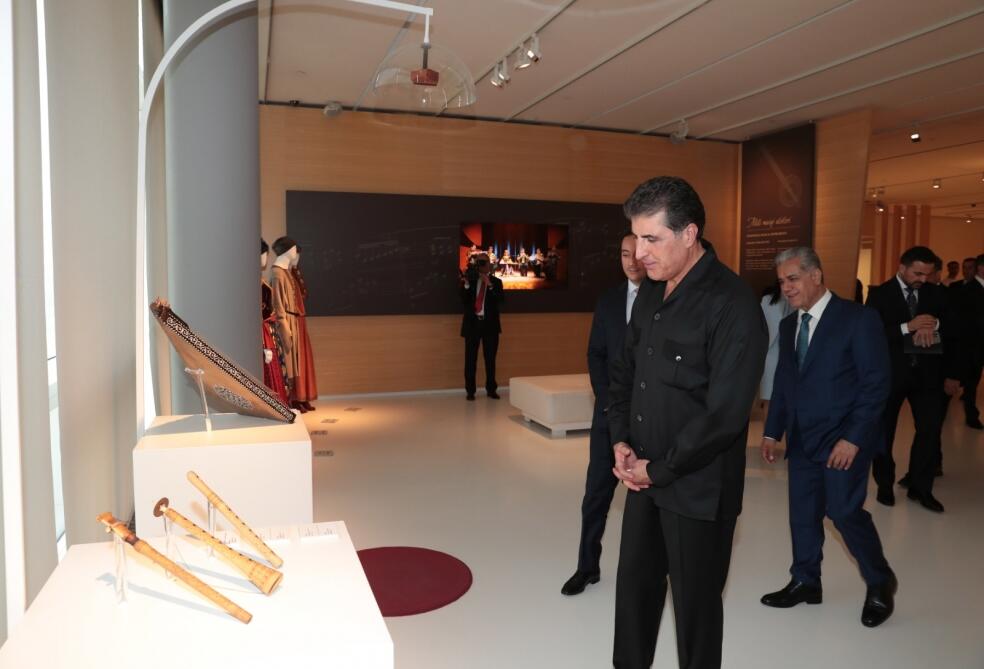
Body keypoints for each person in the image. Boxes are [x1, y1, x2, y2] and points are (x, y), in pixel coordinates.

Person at [608, 176, 767, 669]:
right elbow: (626, 371)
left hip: (698, 488)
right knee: (634, 592)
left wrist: (660, 469)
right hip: (642, 478)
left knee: (696, 612)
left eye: (651, 239)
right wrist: (621, 440)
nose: (639, 253)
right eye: (636, 238)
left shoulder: (733, 305)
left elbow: (725, 415)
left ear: (690, 233)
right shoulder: (652, 292)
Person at [759, 247, 897, 629]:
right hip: (803, 438)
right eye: (782, 282)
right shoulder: (790, 325)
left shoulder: (858, 318)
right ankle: (806, 580)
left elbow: (876, 384)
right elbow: (786, 382)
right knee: (802, 515)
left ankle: (880, 580)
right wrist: (772, 430)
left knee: (843, 511)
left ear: (816, 275)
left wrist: (853, 439)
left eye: (793, 279)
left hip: (843, 440)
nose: (786, 288)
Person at [562, 232, 645, 597]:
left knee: (645, 504)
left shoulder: (665, 299)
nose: (632, 261)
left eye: (637, 254)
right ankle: (587, 567)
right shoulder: (609, 300)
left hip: (649, 420)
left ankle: (642, 575)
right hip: (609, 417)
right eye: (625, 254)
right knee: (596, 494)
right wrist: (609, 400)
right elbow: (595, 353)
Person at [865, 246, 962, 512]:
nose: (922, 279)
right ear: (902, 267)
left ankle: (921, 488)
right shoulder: (879, 295)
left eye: (927, 274)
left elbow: (956, 329)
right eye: (917, 273)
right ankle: (885, 484)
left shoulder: (937, 293)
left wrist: (934, 324)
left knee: (929, 432)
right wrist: (908, 327)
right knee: (883, 433)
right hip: (890, 376)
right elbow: (871, 335)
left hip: (928, 377)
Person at [460, 253, 504, 401]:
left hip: (490, 326)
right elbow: (463, 300)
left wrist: (489, 285)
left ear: (489, 264)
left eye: (484, 262)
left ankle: (491, 390)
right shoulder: (471, 281)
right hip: (472, 325)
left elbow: (501, 300)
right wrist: (466, 284)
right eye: (479, 262)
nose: (481, 265)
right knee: (470, 360)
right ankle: (470, 391)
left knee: (490, 359)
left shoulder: (496, 282)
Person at [958, 254, 984, 429]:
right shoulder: (968, 290)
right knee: (972, 382)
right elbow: (966, 322)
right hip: (974, 345)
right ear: (981, 268)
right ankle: (971, 416)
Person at [760, 280, 792, 404]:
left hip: (790, 356)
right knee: (769, 398)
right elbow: (762, 328)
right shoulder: (767, 300)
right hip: (771, 355)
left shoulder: (800, 299)